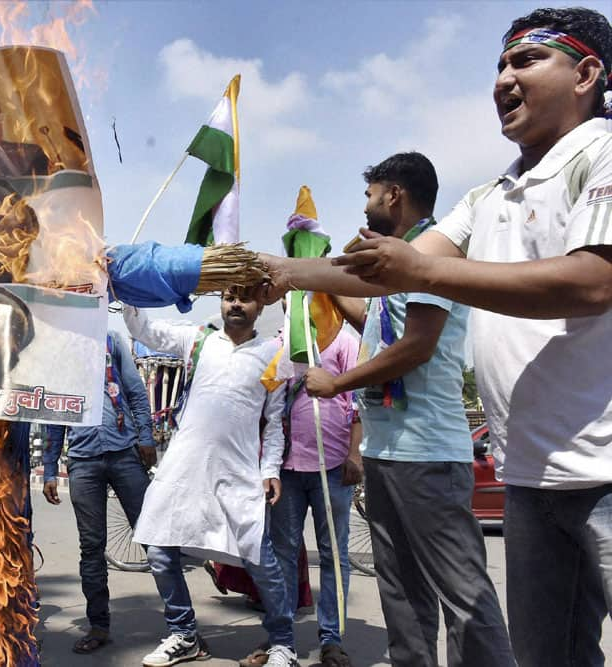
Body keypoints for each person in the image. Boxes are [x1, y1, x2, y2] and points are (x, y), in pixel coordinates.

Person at [297, 9, 612, 666]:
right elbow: (372, 284)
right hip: (527, 474)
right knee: (542, 651)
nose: (502, 79)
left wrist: (414, 273)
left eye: (525, 62)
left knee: (468, 606)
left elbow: (593, 282)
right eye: (499, 65)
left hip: (596, 472)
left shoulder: (603, 153)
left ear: (587, 73)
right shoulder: (490, 194)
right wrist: (268, 271)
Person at [268, 152, 515, 666]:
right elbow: (377, 324)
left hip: (427, 453)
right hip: (387, 452)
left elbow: (415, 346)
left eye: (369, 193)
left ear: (393, 194)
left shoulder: (433, 256)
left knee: (463, 595)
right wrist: (318, 279)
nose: (366, 203)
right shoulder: (396, 262)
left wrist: (337, 383)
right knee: (400, 592)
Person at [125, 285, 295, 667]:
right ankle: (183, 634)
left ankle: (283, 643)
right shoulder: (198, 340)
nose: (235, 303)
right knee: (159, 549)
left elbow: (274, 422)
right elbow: (145, 331)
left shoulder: (274, 355)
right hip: (183, 467)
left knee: (260, 559)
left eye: (245, 297)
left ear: (260, 304)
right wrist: (129, 290)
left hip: (238, 472)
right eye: (229, 296)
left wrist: (270, 470)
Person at [242, 328, 361, 667]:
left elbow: (357, 400)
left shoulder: (342, 339)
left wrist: (355, 455)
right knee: (281, 555)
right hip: (286, 470)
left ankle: (332, 640)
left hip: (334, 468)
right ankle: (282, 637)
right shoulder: (276, 346)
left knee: (334, 556)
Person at [41, 330, 157, 655]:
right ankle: (98, 625)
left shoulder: (110, 339)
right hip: (82, 459)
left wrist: (145, 436)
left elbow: (135, 392)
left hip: (124, 451)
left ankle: (181, 626)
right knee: (91, 547)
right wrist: (50, 468)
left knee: (153, 536)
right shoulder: (58, 348)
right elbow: (54, 413)